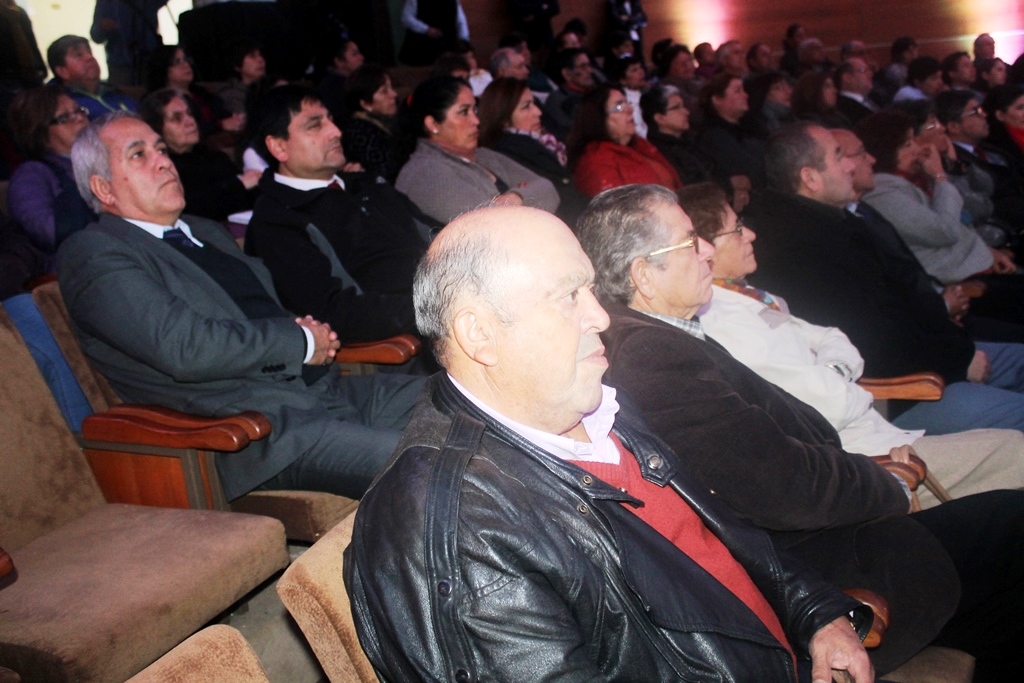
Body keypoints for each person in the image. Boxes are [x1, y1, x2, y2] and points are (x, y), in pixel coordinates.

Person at [346, 203, 875, 683]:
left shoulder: (594, 408)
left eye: (592, 290)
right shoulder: (455, 531)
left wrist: (816, 614)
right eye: (568, 296)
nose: (600, 317)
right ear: (479, 334)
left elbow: (728, 536)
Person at [580, 183, 1024, 679]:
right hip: (827, 569)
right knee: (1012, 522)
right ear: (644, 275)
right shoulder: (651, 353)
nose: (706, 249)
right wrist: (887, 483)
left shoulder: (662, 336)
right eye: (689, 241)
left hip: (832, 532)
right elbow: (777, 484)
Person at [58, 111, 423, 501]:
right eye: (138, 155)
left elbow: (260, 310)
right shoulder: (95, 253)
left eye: (161, 149)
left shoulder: (205, 231)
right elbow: (186, 348)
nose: (163, 161)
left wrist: (309, 335)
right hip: (260, 430)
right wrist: (299, 340)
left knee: (464, 403)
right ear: (103, 188)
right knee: (429, 466)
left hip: (326, 391)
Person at [688, 180, 1024, 505]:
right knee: (1016, 451)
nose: (750, 234)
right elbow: (830, 406)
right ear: (704, 250)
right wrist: (841, 374)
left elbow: (833, 336)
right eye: (736, 229)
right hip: (869, 465)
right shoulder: (725, 324)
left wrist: (833, 370)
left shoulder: (747, 296)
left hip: (879, 431)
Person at [744, 122, 1024, 434]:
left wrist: (958, 349)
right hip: (901, 396)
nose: (852, 166)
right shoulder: (801, 249)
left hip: (934, 356)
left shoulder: (832, 222)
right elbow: (876, 344)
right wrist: (959, 360)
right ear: (810, 178)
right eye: (838, 156)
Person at [246, 85, 429, 342]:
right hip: (410, 336)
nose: (336, 132)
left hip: (450, 296)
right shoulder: (278, 221)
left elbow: (433, 232)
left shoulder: (366, 183)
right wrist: (436, 306)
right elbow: (334, 311)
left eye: (331, 120)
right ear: (278, 147)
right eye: (314, 125)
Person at [396, 76, 558, 224]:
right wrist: (528, 194)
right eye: (463, 112)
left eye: (474, 110)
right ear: (433, 124)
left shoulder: (484, 155)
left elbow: (549, 190)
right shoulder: (425, 174)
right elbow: (492, 223)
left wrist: (515, 197)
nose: (476, 120)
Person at [7, 86, 96, 267]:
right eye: (64, 118)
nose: (79, 118)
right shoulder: (31, 175)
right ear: (42, 136)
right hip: (76, 267)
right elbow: (49, 233)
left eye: (79, 110)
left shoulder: (105, 159)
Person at [478, 77, 587, 222]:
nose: (538, 112)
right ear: (503, 118)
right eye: (526, 107)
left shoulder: (543, 140)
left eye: (534, 103)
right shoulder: (509, 152)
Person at [139, 89, 258, 221]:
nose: (190, 121)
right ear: (158, 129)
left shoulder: (215, 157)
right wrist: (238, 184)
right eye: (177, 118)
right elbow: (189, 209)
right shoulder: (165, 168)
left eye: (189, 113)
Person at [567, 83, 681, 197]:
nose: (630, 109)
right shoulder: (596, 161)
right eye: (619, 106)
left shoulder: (641, 145)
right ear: (599, 117)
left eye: (627, 103)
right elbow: (613, 205)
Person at [144, 45, 241, 140]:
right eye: (177, 62)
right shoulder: (156, 101)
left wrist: (236, 119)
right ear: (164, 68)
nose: (186, 65)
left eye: (186, 59)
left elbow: (223, 113)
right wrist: (220, 124)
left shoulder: (200, 92)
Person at [695, 72, 766, 188]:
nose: (745, 95)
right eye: (737, 91)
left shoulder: (752, 128)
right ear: (717, 99)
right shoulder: (712, 137)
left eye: (743, 90)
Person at [340, 64, 404, 183]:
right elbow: (387, 174)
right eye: (384, 91)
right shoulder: (362, 135)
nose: (394, 94)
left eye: (392, 88)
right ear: (366, 104)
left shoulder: (390, 122)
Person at [46, 35, 136, 119]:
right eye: (78, 55)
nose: (90, 57)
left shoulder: (115, 93)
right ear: (62, 71)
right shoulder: (62, 107)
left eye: (89, 52)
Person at [90, 0, 167, 86]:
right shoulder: (107, 2)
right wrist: (102, 27)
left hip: (150, 62)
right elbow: (96, 35)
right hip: (121, 66)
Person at [541, 48, 595, 139]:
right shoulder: (558, 101)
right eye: (583, 67)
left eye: (589, 65)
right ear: (567, 74)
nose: (589, 70)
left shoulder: (595, 91)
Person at [398, 0, 469, 66]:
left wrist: (464, 42)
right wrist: (426, 29)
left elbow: (460, 21)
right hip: (421, 50)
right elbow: (406, 18)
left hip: (447, 49)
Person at [316, 38, 364, 122]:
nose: (361, 57)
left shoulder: (353, 81)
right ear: (339, 61)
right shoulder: (332, 88)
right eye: (354, 54)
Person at [216, 38, 266, 115]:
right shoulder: (232, 96)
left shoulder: (268, 87)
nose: (261, 59)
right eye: (252, 56)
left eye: (260, 55)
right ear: (237, 66)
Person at [836, 58, 879, 125]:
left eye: (870, 70)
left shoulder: (875, 97)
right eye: (863, 70)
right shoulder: (843, 108)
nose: (871, 74)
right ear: (847, 78)